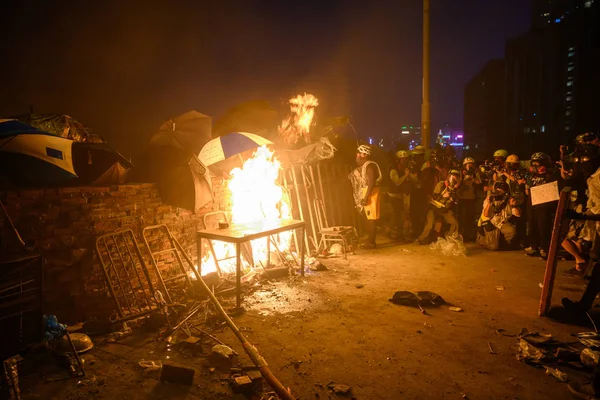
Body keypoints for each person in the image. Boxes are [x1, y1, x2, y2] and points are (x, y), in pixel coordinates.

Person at [524, 152, 558, 259]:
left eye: (538, 164)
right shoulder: (530, 175)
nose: (535, 166)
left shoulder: (551, 174)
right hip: (532, 201)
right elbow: (527, 190)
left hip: (544, 203)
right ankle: (534, 246)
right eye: (533, 164)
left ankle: (544, 247)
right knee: (532, 224)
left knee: (543, 225)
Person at [349, 144, 382, 249]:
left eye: (358, 154)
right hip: (368, 193)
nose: (357, 156)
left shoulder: (370, 166)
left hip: (371, 194)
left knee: (371, 219)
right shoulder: (365, 166)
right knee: (367, 218)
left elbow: (371, 183)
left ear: (364, 154)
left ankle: (372, 243)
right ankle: (370, 240)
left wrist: (366, 197)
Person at [417, 169, 460, 245]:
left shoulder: (455, 189)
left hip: (444, 210)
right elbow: (434, 197)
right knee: (429, 225)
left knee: (454, 223)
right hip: (434, 208)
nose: (454, 179)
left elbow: (456, 202)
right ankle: (420, 239)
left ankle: (449, 240)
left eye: (456, 177)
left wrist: (453, 197)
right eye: (453, 176)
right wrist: (443, 196)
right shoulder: (441, 184)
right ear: (449, 176)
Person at [476, 181, 522, 251]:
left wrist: (513, 205)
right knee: (493, 247)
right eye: (497, 190)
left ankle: (500, 242)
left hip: (502, 223)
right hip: (490, 223)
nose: (499, 193)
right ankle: (483, 239)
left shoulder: (508, 200)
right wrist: (489, 204)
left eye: (501, 191)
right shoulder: (490, 198)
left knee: (511, 231)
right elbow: (486, 214)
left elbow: (518, 214)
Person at [389, 150, 417, 242]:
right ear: (398, 160)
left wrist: (410, 175)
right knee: (397, 216)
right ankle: (396, 235)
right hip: (393, 196)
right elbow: (397, 182)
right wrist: (406, 175)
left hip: (401, 196)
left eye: (406, 159)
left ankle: (398, 234)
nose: (405, 161)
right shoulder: (393, 170)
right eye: (402, 159)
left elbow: (415, 180)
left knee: (401, 217)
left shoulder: (406, 169)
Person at [457, 157, 481, 242]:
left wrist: (473, 177)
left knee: (470, 217)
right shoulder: (460, 172)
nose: (469, 165)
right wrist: (464, 177)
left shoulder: (475, 173)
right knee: (462, 217)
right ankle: (460, 235)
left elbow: (479, 184)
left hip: (471, 198)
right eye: (468, 164)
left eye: (471, 164)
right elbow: (457, 184)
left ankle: (467, 236)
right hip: (462, 198)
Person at [410, 145, 428, 236]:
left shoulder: (425, 165)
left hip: (421, 192)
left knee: (420, 213)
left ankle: (419, 233)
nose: (415, 157)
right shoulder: (416, 165)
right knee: (414, 213)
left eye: (417, 156)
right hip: (415, 191)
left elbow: (421, 181)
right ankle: (415, 232)